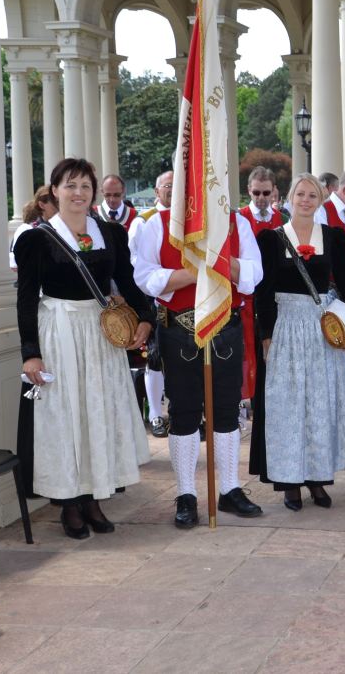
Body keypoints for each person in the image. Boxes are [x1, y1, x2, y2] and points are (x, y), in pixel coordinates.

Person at [15, 158, 155, 539]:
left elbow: (127, 280)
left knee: (98, 413)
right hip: (59, 332)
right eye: (70, 185)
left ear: (94, 193)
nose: (78, 193)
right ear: (54, 191)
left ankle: (94, 496)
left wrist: (146, 318)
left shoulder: (110, 233)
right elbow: (25, 299)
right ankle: (70, 504)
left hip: (100, 332)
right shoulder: (35, 239)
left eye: (85, 186)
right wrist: (31, 353)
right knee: (67, 416)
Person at [132, 178, 265, 529]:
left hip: (225, 327)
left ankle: (230, 488)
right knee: (184, 411)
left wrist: (220, 261)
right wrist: (194, 271)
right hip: (179, 330)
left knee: (226, 409)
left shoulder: (236, 223)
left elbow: (253, 273)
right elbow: (145, 277)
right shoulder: (157, 224)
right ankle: (186, 493)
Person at [254, 173, 345, 510]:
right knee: (288, 407)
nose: (305, 200)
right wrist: (267, 335)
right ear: (289, 198)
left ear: (320, 200)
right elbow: (263, 292)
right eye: (300, 194)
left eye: (312, 195)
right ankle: (290, 482)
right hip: (286, 327)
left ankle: (317, 479)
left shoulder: (332, 237)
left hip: (321, 330)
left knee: (319, 404)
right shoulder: (271, 239)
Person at [237, 167, 286, 408]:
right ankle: (246, 402)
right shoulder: (239, 218)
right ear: (249, 190)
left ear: (274, 191)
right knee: (248, 348)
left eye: (266, 192)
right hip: (248, 295)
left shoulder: (283, 218)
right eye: (256, 192)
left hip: (275, 295)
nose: (261, 198)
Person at [130, 171, 173, 438]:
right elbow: (136, 262)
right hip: (152, 297)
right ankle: (156, 414)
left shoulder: (188, 220)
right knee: (154, 357)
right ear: (157, 191)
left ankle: (179, 412)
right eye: (168, 186)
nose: (173, 190)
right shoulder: (143, 221)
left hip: (182, 297)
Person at [9, 185, 57, 270]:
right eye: (55, 203)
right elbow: (19, 264)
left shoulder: (67, 227)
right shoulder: (28, 230)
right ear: (41, 205)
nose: (59, 207)